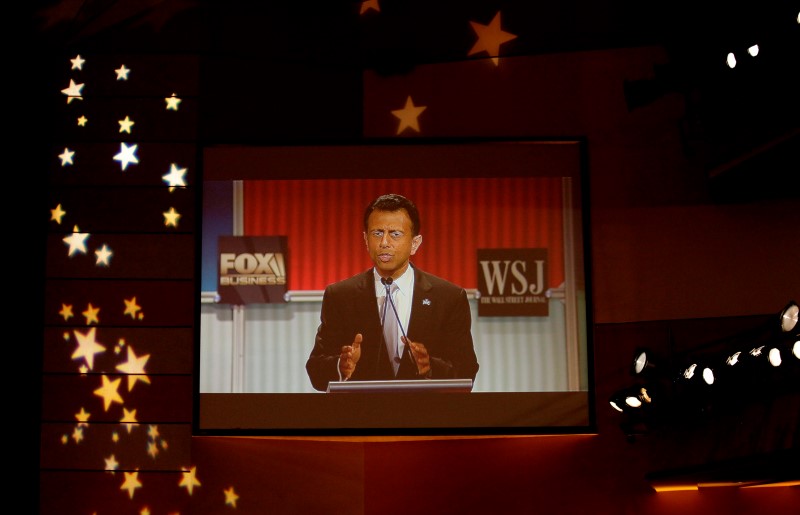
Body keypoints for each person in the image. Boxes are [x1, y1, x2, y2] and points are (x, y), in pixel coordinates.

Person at [305, 193, 479, 391]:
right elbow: (315, 369)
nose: (384, 242)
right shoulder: (340, 296)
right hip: (362, 417)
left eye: (395, 234)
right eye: (377, 233)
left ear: (415, 243)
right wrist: (340, 365)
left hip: (425, 417)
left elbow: (467, 370)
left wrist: (430, 366)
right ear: (365, 239)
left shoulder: (448, 297)